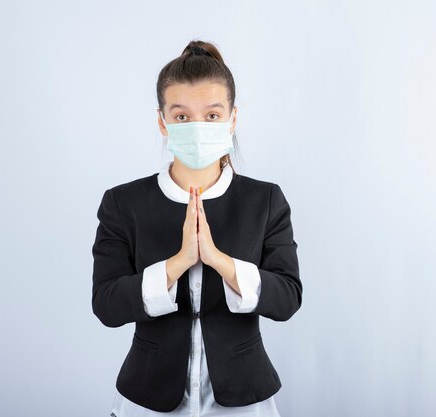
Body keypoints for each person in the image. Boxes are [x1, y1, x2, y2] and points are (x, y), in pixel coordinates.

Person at [91, 40, 302, 417]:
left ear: (233, 119)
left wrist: (220, 261)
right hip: (147, 398)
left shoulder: (264, 201)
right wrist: (178, 262)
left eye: (213, 115)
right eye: (182, 116)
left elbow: (286, 298)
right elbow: (106, 305)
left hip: (244, 397)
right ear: (162, 121)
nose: (198, 127)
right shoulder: (123, 203)